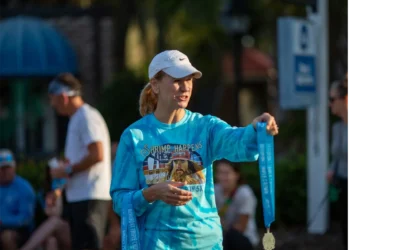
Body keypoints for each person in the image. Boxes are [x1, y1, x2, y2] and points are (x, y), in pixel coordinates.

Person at [110, 50, 279, 250]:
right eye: (176, 80)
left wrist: (255, 129)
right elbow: (120, 200)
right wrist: (151, 193)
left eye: (189, 80)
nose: (185, 87)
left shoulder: (205, 127)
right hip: (156, 244)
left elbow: (238, 142)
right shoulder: (134, 136)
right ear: (155, 85)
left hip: (205, 243)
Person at [48, 73, 112, 250]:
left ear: (63, 97)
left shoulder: (86, 117)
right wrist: (58, 188)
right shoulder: (77, 118)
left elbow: (97, 154)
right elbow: (77, 161)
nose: (52, 105)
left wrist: (67, 170)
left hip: (90, 197)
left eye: (53, 99)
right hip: (82, 197)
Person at [326, 76, 352, 250]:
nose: (330, 104)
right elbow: (336, 157)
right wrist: (330, 170)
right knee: (346, 229)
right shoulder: (337, 128)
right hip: (342, 185)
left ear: (346, 99)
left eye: (332, 99)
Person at [20, 165, 71, 250]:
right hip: (49, 235)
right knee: (51, 241)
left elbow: (59, 214)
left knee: (55, 221)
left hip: (70, 234)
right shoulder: (44, 194)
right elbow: (42, 218)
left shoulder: (70, 191)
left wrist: (59, 194)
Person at [214, 159, 259, 250]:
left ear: (236, 175)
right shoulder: (215, 190)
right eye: (220, 173)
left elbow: (241, 227)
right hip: (222, 234)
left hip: (243, 238)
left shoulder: (244, 193)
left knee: (231, 236)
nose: (222, 177)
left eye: (226, 173)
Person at [0, 149, 35, 250]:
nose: (4, 171)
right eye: (1, 168)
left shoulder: (24, 188)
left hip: (20, 231)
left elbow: (26, 218)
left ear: (14, 168)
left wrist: (3, 221)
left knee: (7, 237)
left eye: (7, 168)